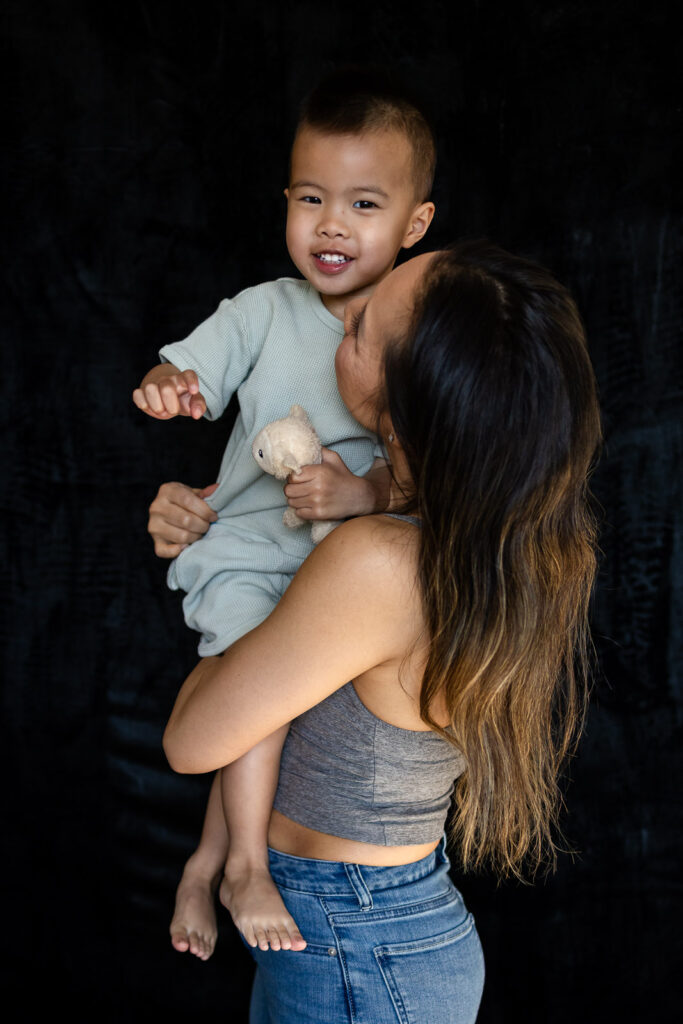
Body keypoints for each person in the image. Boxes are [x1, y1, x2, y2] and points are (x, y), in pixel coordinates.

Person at [157, 241, 602, 1023]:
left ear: (404, 405)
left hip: (353, 944)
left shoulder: (383, 563)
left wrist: (218, 557)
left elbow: (193, 739)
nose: (336, 321)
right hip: (361, 929)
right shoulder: (488, 536)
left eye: (359, 328)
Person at [133, 71, 436, 959]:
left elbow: (425, 482)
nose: (331, 224)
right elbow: (184, 372)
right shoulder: (264, 310)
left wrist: (363, 494)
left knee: (268, 710)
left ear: (415, 225)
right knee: (250, 701)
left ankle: (202, 862)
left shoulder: (419, 336)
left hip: (339, 577)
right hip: (245, 551)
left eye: (364, 203)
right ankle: (241, 872)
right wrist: (170, 389)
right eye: (311, 199)